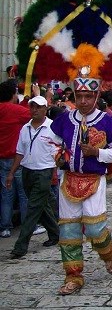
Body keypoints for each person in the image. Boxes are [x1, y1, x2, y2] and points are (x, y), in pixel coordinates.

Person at [50, 68, 112, 295]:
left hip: (94, 179)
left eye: (88, 97)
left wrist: (96, 153)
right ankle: (73, 275)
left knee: (94, 227)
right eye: (79, 96)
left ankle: (108, 253)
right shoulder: (65, 119)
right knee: (69, 230)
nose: (83, 101)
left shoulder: (107, 121)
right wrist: (58, 155)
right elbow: (53, 142)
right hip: (69, 180)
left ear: (96, 97)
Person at [6, 96, 60, 258]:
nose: (34, 110)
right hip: (27, 171)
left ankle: (20, 246)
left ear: (45, 109)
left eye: (38, 107)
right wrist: (11, 173)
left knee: (32, 209)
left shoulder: (52, 128)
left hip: (44, 172)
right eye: (32, 107)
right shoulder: (25, 128)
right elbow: (19, 152)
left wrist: (54, 171)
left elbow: (58, 152)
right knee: (40, 205)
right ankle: (55, 233)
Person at [0, 80, 32, 238]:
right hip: (16, 158)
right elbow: (34, 114)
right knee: (23, 192)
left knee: (6, 193)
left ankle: (5, 227)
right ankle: (27, 225)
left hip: (2, 158)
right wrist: (29, 99)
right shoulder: (16, 110)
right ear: (13, 94)